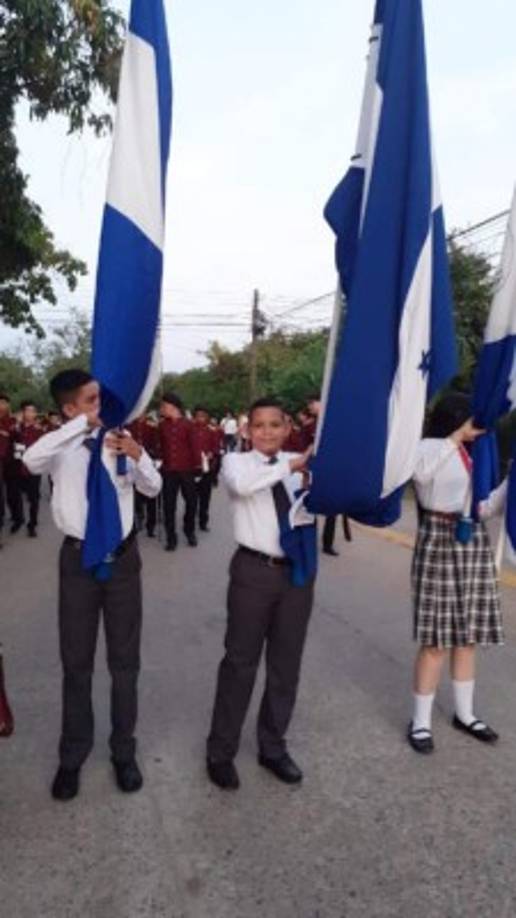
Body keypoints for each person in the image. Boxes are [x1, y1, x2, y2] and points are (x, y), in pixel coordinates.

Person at [23, 369, 162, 801]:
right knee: (76, 662)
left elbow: (153, 488)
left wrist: (138, 454)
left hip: (121, 562)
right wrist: (80, 426)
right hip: (78, 561)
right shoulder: (62, 446)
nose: (101, 407)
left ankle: (124, 752)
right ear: (69, 408)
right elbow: (30, 460)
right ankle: (72, 756)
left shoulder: (121, 439)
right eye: (91, 401)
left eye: (100, 399)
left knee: (125, 663)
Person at [206, 397, 314, 791]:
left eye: (276, 424)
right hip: (254, 571)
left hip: (297, 573)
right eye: (260, 425)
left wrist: (314, 473)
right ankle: (220, 751)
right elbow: (244, 486)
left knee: (286, 666)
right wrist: (293, 465)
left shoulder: (299, 465)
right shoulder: (238, 463)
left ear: (287, 428)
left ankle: (273, 746)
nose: (268, 432)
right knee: (240, 664)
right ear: (248, 431)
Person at [408, 392, 503, 755]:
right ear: (456, 418)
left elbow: (484, 505)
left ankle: (465, 714)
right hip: (437, 535)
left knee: (468, 635)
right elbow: (420, 474)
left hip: (472, 537)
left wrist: (507, 488)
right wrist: (454, 439)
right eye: (469, 419)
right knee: (436, 639)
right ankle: (420, 721)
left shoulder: (477, 452)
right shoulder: (428, 446)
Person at [305, 394, 352, 556]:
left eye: (312, 403)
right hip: (311, 468)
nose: (310, 407)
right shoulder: (311, 424)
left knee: (332, 509)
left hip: (330, 468)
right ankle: (306, 540)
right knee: (308, 505)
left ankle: (327, 543)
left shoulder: (331, 421)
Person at [159, 393, 201, 550]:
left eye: (164, 406)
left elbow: (195, 447)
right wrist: (158, 461)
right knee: (168, 505)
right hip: (168, 471)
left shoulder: (189, 425)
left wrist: (198, 467)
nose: (161, 409)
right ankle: (171, 538)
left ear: (172, 407)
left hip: (187, 470)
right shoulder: (162, 425)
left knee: (191, 502)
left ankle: (189, 531)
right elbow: (161, 447)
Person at [8, 401, 43, 537]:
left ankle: (32, 524)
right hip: (17, 467)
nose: (31, 413)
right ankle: (18, 520)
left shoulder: (39, 429)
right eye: (28, 411)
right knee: (17, 497)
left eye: (33, 411)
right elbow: (11, 444)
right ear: (23, 412)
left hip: (33, 469)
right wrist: (16, 427)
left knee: (34, 499)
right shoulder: (16, 427)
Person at [127, 414, 160, 538]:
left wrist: (156, 457)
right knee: (136, 494)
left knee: (151, 494)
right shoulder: (129, 426)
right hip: (133, 463)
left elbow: (157, 444)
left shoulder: (151, 427)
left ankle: (151, 525)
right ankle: (138, 517)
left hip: (149, 462)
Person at [192, 406, 218, 532]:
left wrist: (211, 453)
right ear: (194, 417)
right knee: (192, 497)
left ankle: (203, 521)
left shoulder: (211, 431)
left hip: (206, 469)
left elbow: (215, 447)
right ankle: (190, 520)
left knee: (205, 497)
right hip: (192, 469)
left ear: (207, 417)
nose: (201, 418)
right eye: (198, 415)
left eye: (203, 416)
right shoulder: (190, 431)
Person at [0, 394, 15, 548]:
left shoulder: (11, 422)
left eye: (4, 403)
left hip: (8, 463)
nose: (1, 406)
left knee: (6, 496)